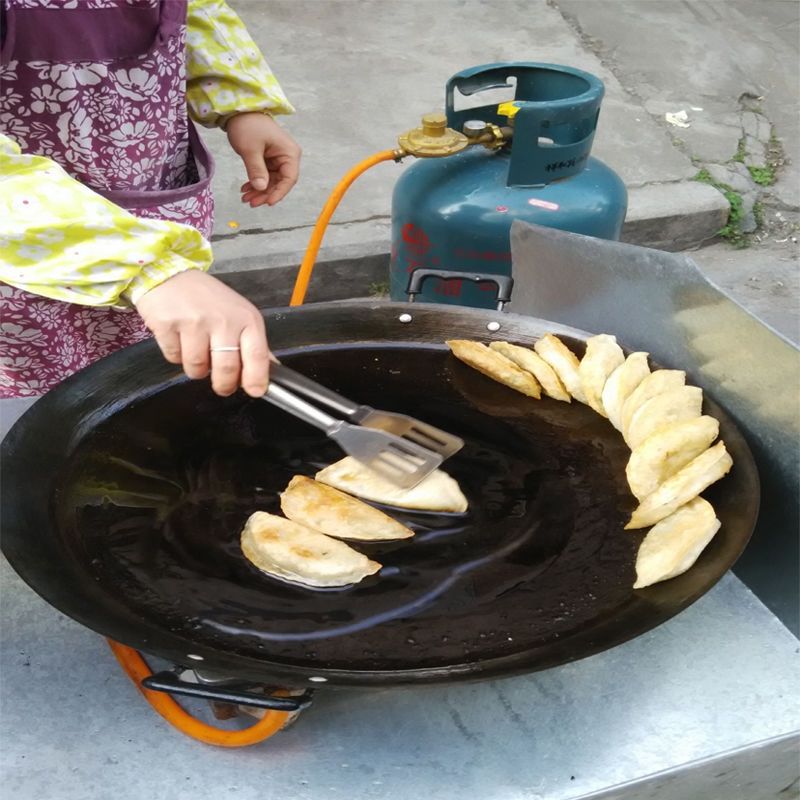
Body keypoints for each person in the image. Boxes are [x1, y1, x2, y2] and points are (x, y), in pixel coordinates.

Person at [0, 0, 301, 400]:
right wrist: (146, 267)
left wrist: (239, 101)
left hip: (154, 205)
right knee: (50, 410)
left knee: (145, 376)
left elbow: (190, 8)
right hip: (29, 258)